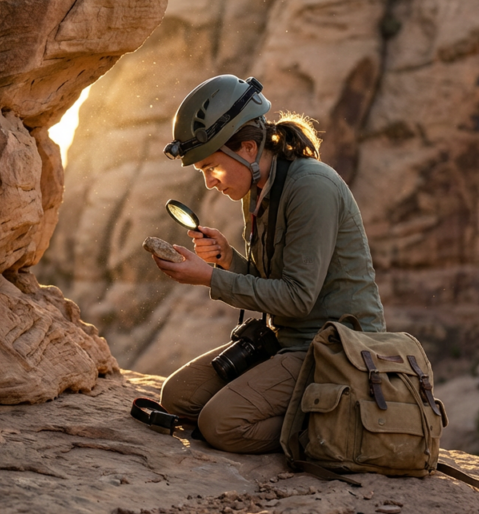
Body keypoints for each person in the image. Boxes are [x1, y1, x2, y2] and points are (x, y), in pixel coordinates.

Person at [151, 75, 386, 453]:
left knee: (219, 424)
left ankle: (339, 424)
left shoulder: (311, 187)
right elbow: (272, 283)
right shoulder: (259, 191)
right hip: (285, 341)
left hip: (334, 350)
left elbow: (297, 299)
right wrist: (228, 260)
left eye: (211, 167)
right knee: (178, 396)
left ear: (246, 149)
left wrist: (210, 278)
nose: (211, 182)